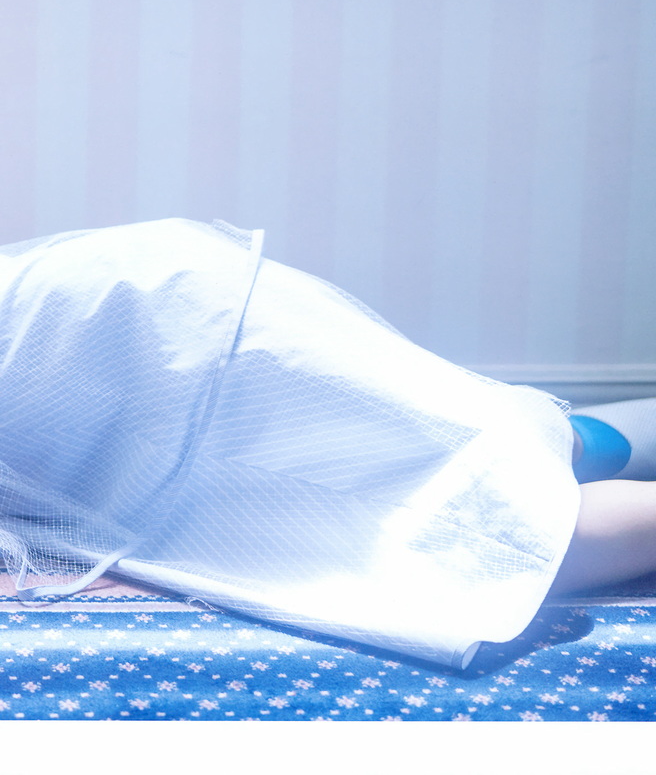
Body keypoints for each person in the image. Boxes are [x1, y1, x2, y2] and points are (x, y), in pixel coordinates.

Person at [0, 217, 653, 670]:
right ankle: (571, 450)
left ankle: (564, 469)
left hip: (98, 350)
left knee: (472, 535)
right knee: (467, 441)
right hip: (123, 302)